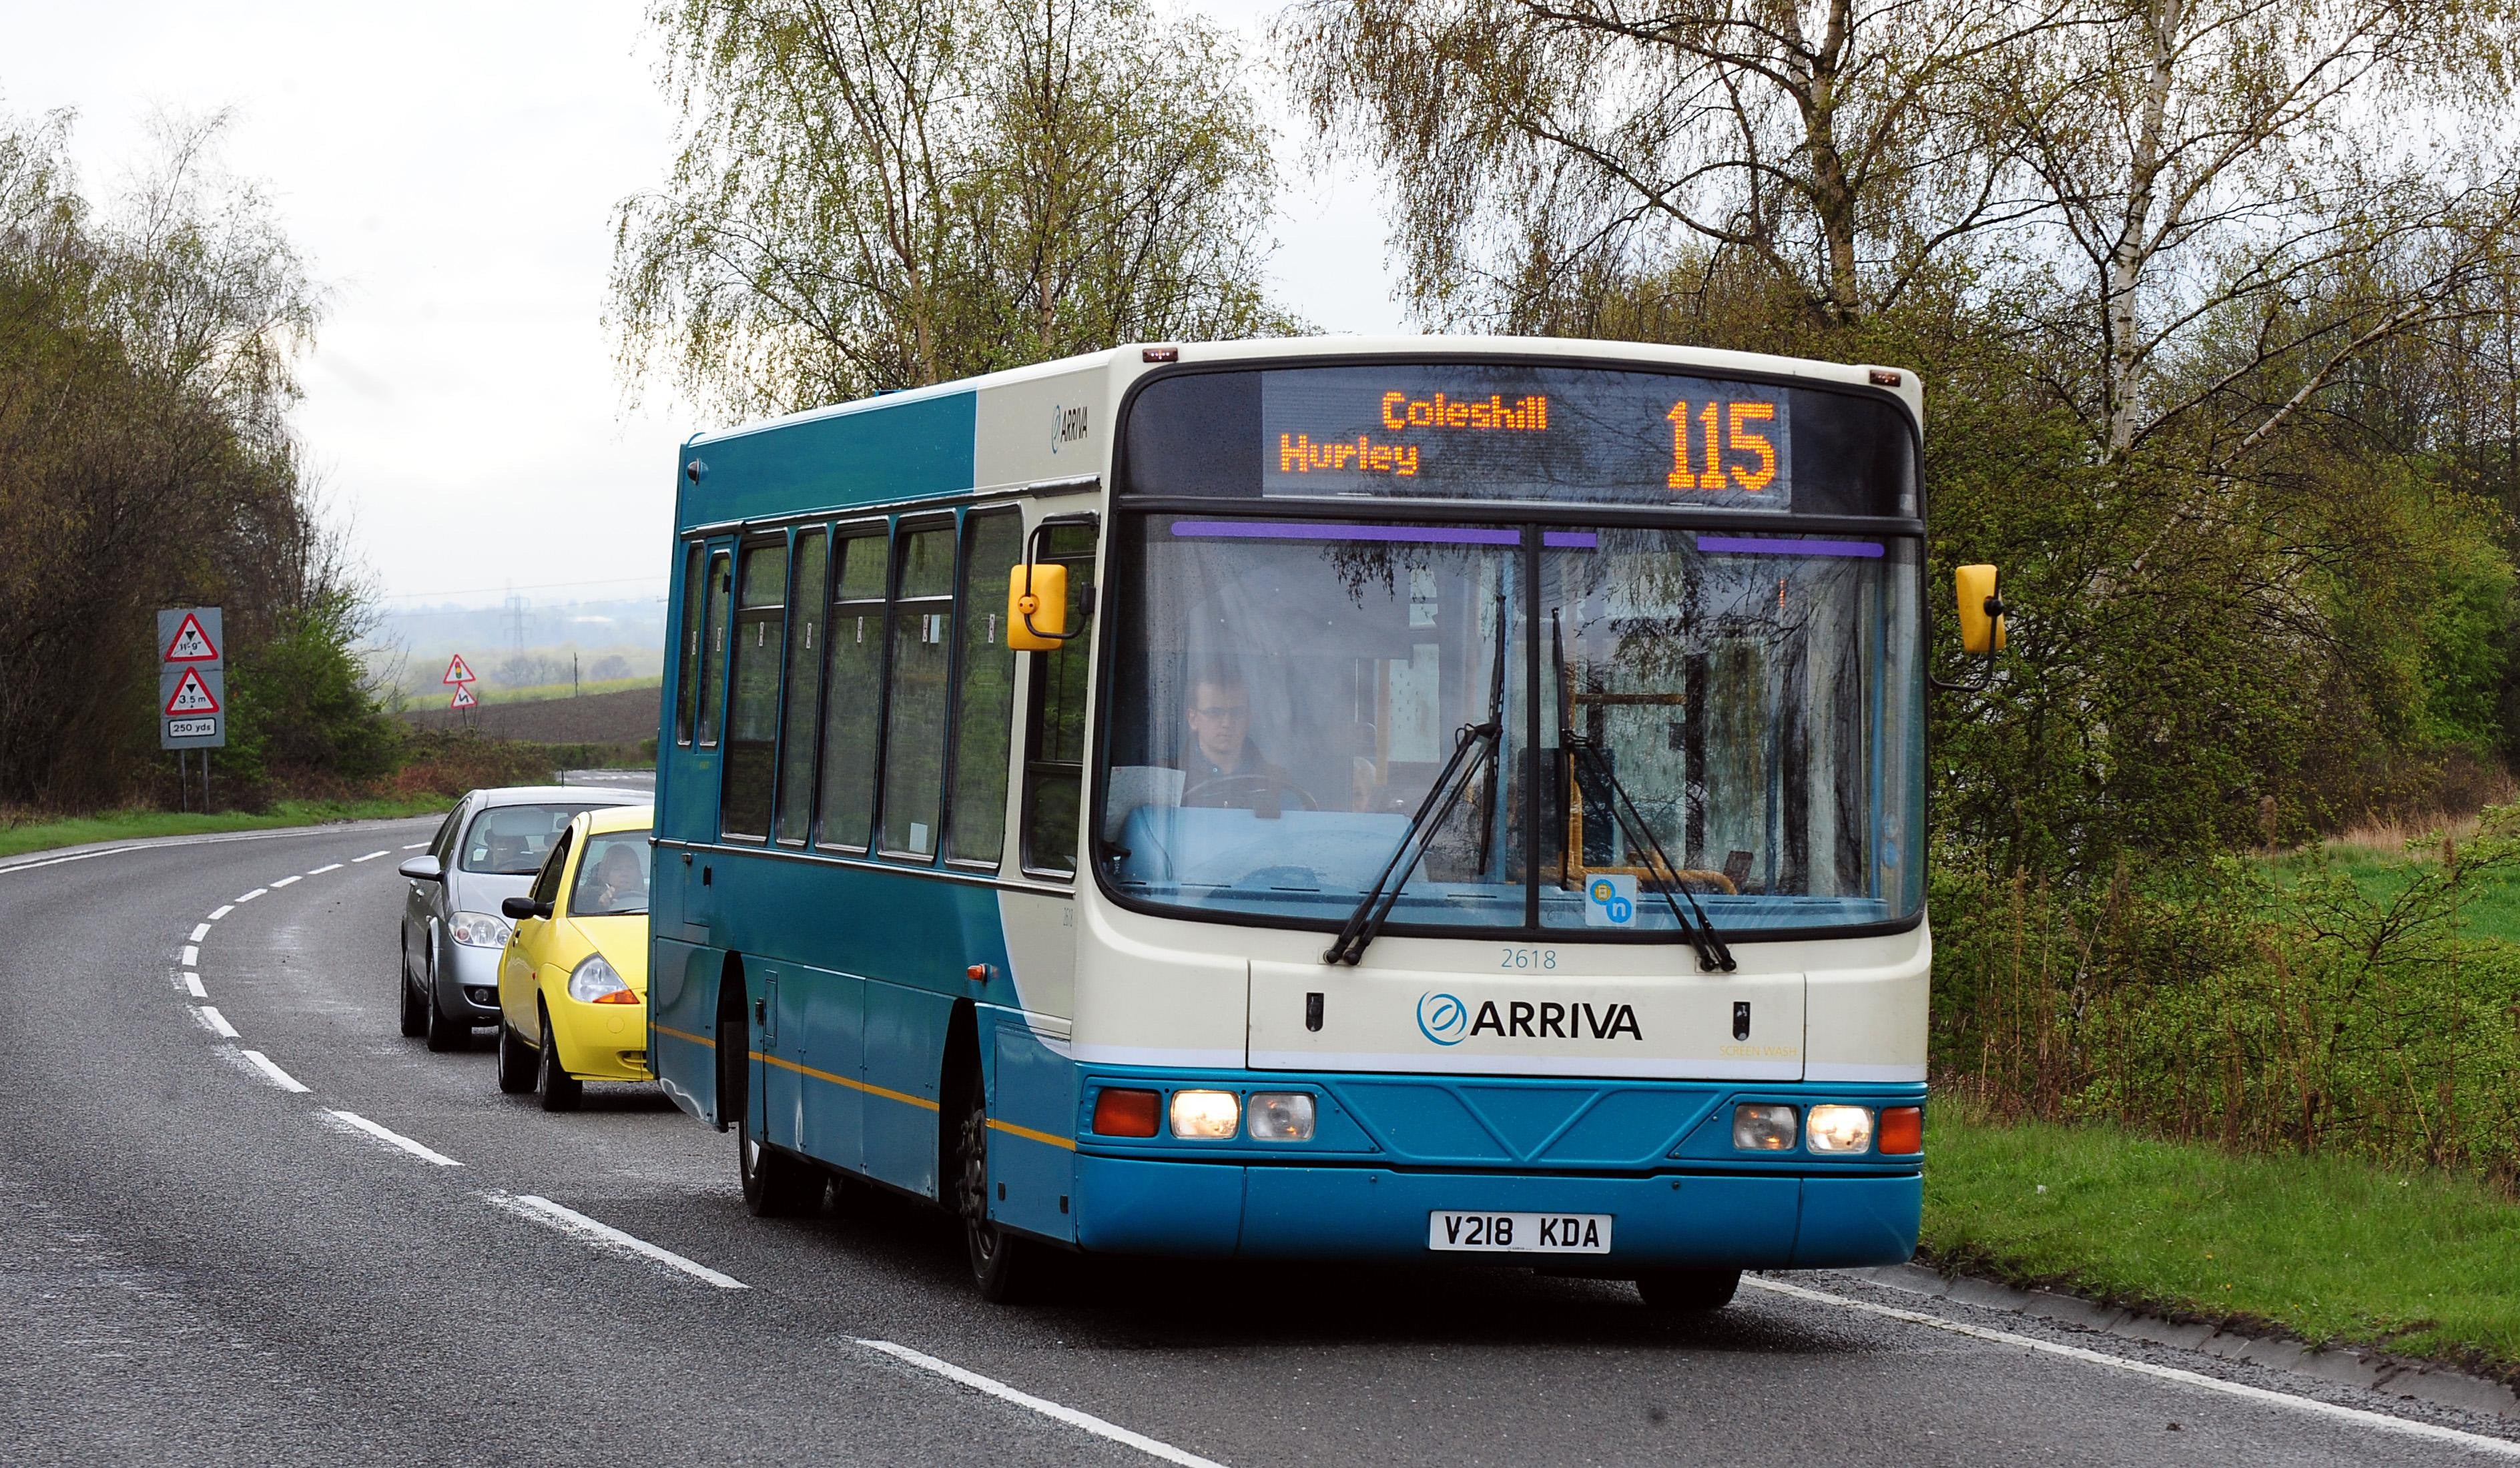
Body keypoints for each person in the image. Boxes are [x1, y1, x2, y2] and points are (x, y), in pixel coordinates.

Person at [1179, 663, 1307, 809]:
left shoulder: (1277, 783)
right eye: (1215, 712)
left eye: (1237, 712)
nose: (1227, 723)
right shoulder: (1169, 779)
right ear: (1193, 719)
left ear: (1249, 718)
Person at [585, 843, 647, 913]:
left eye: (630, 867)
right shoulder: (589, 902)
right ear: (606, 874)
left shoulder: (653, 899)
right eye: (617, 869)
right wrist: (601, 907)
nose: (624, 873)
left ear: (638, 873)